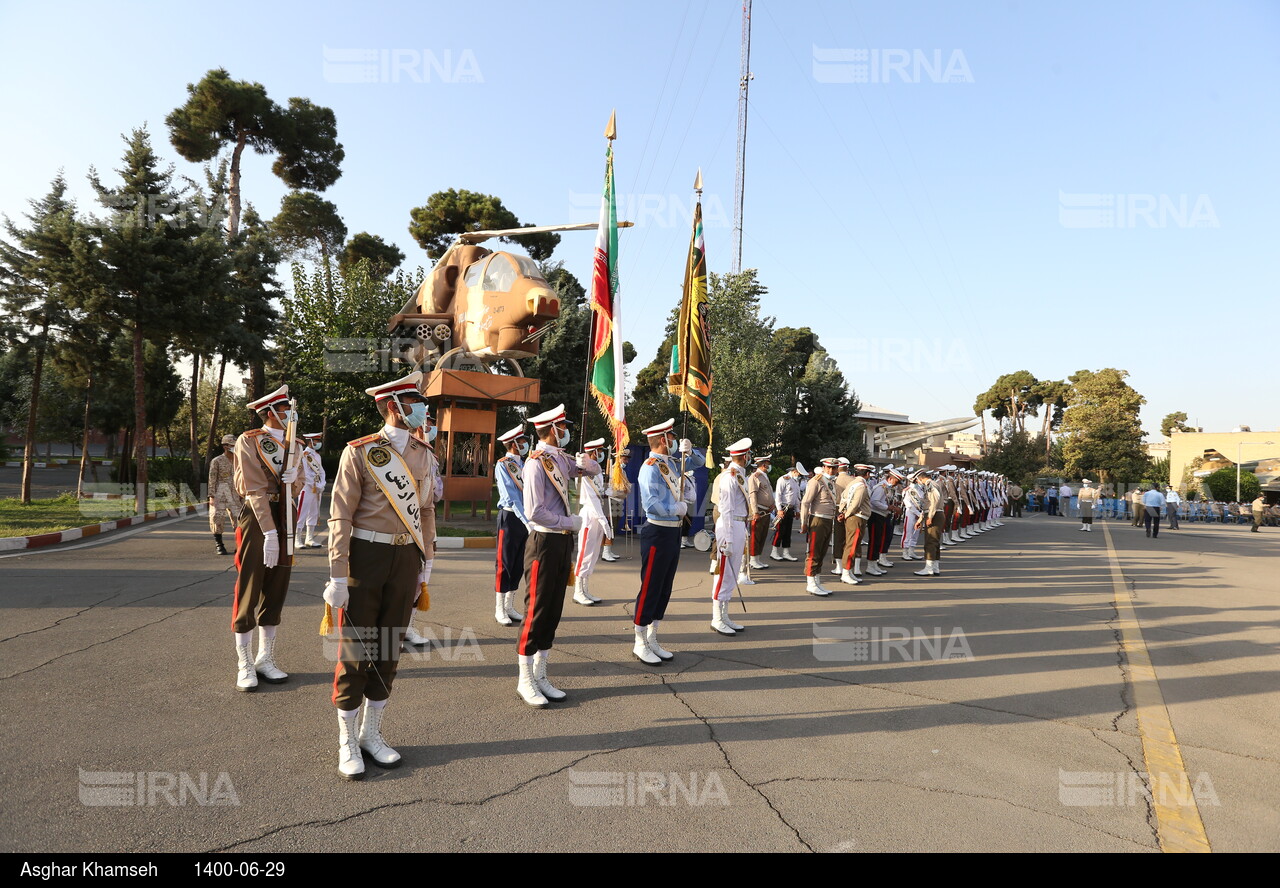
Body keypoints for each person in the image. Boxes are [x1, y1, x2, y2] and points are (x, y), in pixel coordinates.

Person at [321, 371, 438, 779]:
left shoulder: (425, 453)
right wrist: (337, 574)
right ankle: (347, 740)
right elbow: (341, 514)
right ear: (394, 406)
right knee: (356, 650)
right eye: (415, 401)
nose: (423, 407)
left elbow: (424, 510)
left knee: (389, 649)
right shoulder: (360, 451)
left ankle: (372, 733)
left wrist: (428, 559)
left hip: (406, 559)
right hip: (365, 557)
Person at [513, 404, 600, 704]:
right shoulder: (536, 463)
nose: (567, 432)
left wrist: (585, 460)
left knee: (553, 610)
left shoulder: (560, 459)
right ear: (553, 429)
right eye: (564, 428)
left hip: (563, 543)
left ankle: (541, 673)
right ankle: (525, 678)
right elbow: (533, 511)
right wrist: (570, 522)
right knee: (536, 610)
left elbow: (593, 470)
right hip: (544, 542)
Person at [231, 385, 304, 693]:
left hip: (285, 513)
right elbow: (252, 488)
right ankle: (244, 662)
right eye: (286, 408)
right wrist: (269, 531)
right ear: (271, 412)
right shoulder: (249, 441)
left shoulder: (295, 443)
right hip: (258, 517)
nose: (291, 413)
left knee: (277, 585)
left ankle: (265, 657)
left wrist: (295, 481)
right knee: (251, 584)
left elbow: (299, 482)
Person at [634, 419, 695, 662]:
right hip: (657, 531)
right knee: (650, 586)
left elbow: (699, 463)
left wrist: (690, 452)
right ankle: (639, 640)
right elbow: (650, 504)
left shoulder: (670, 464)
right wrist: (676, 508)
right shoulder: (650, 467)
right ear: (662, 440)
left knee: (664, 587)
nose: (675, 440)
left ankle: (652, 637)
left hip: (672, 532)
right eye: (672, 437)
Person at [711, 439, 753, 633]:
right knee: (724, 573)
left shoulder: (738, 475)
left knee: (733, 573)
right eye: (749, 454)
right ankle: (717, 618)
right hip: (729, 525)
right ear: (745, 456)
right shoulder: (730, 477)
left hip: (738, 523)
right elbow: (726, 509)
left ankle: (725, 614)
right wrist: (727, 539)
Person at [493, 424, 530, 627]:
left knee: (518, 564)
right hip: (510, 518)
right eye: (522, 441)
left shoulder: (526, 464)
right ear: (514, 444)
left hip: (526, 519)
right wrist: (527, 520)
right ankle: (499, 608)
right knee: (505, 563)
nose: (525, 443)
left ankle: (509, 605)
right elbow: (511, 496)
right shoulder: (503, 464)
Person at [571, 438, 613, 607]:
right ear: (593, 452)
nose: (601, 454)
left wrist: (607, 492)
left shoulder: (597, 471)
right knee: (585, 553)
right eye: (599, 451)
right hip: (589, 513)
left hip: (598, 513)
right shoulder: (583, 471)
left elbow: (599, 494)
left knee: (594, 553)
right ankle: (578, 591)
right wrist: (602, 518)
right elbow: (589, 497)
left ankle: (585, 588)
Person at [799, 458, 840, 596]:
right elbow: (805, 502)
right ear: (823, 467)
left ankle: (816, 580)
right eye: (829, 468)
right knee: (813, 552)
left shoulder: (831, 482)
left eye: (834, 468)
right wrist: (804, 522)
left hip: (828, 520)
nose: (831, 470)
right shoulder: (816, 481)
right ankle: (810, 582)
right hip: (818, 519)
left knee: (822, 551)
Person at [207, 433, 242, 555]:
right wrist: (211, 496)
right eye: (231, 445)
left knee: (239, 521)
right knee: (217, 519)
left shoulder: (239, 460)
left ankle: (239, 546)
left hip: (236, 495)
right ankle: (219, 545)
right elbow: (212, 479)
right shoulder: (217, 461)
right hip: (220, 494)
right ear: (225, 446)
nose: (234, 448)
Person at [838, 463, 872, 582]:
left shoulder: (852, 483)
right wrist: (846, 514)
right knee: (852, 545)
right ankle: (846, 572)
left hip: (853, 516)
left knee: (853, 544)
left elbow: (843, 498)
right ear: (867, 474)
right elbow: (856, 503)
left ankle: (849, 571)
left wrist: (842, 512)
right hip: (857, 517)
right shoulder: (862, 486)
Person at [296, 433, 327, 549]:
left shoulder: (317, 456)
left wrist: (322, 484)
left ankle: (310, 538)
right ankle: (297, 539)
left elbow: (321, 471)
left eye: (319, 440)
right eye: (316, 440)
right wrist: (313, 484)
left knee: (314, 512)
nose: (318, 443)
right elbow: (304, 473)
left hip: (317, 488)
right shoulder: (304, 454)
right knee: (302, 512)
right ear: (310, 441)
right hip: (307, 488)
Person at [747, 454, 775, 572]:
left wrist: (772, 504)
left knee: (762, 535)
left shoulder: (764, 476)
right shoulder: (755, 476)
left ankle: (757, 558)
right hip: (759, 510)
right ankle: (753, 560)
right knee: (756, 536)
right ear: (763, 465)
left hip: (766, 510)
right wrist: (755, 512)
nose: (769, 467)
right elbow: (752, 495)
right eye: (768, 465)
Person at [913, 470, 944, 576]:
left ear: (920, 478)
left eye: (917, 480)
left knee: (930, 541)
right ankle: (935, 567)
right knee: (934, 541)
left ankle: (929, 568)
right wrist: (920, 519)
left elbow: (934, 500)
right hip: (935, 513)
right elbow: (928, 504)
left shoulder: (930, 484)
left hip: (934, 514)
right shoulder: (934, 483)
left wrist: (930, 516)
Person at [771, 463, 804, 561]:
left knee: (787, 532)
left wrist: (798, 510)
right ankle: (774, 551)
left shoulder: (794, 481)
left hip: (790, 509)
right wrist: (779, 509)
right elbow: (778, 496)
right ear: (794, 471)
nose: (799, 475)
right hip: (783, 508)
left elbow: (797, 497)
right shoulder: (783, 479)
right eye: (798, 473)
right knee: (780, 531)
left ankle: (786, 552)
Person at [829, 459, 853, 575]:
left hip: (838, 508)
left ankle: (839, 565)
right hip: (851, 510)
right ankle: (849, 565)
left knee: (838, 538)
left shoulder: (835, 480)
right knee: (849, 538)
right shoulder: (852, 480)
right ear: (847, 468)